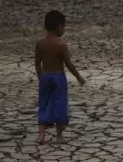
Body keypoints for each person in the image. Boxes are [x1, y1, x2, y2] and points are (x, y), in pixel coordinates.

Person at [35, 10, 85, 144]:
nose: (64, 29)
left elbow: (37, 64)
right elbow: (68, 64)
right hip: (58, 77)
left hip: (45, 77)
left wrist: (41, 77)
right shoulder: (61, 45)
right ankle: (59, 136)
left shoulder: (40, 44)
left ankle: (41, 135)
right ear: (59, 27)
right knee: (60, 104)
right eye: (64, 26)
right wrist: (78, 77)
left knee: (44, 103)